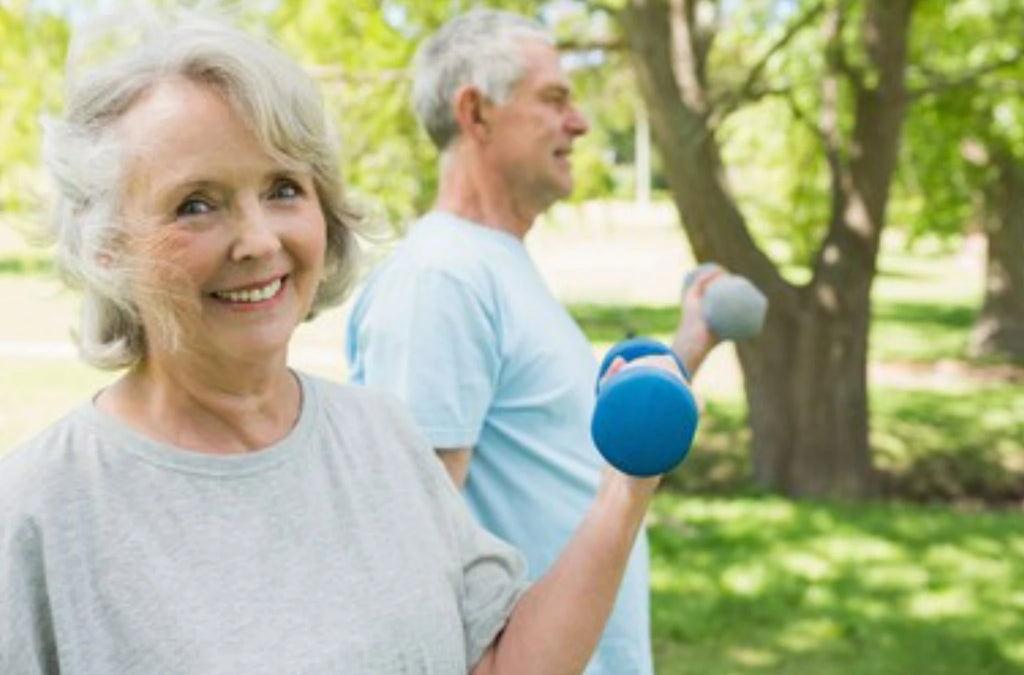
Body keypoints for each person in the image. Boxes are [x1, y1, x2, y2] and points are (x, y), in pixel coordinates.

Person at [0, 10, 685, 675]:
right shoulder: (36, 513)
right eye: (196, 204)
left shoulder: (382, 436)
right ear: (110, 246)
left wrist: (624, 489)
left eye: (282, 189)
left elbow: (499, 665)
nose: (259, 241)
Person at [346, 9, 723, 674]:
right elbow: (413, 557)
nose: (578, 123)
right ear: (476, 112)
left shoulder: (492, 263)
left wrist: (690, 340)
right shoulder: (442, 278)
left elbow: (571, 439)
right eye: (554, 99)